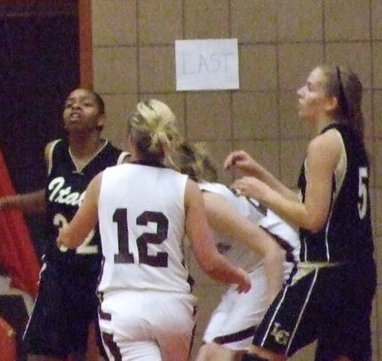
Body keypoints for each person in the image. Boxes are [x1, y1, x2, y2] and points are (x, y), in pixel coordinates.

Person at [58, 99, 251, 361]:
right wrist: (238, 276)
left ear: (129, 139)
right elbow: (209, 262)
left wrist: (63, 234)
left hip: (124, 308)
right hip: (174, 309)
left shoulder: (104, 180)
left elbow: (72, 238)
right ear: (168, 142)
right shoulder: (186, 186)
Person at [224, 64, 376, 361]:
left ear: (331, 102)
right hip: (357, 274)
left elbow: (312, 220)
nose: (300, 92)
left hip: (324, 270)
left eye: (310, 87)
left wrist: (262, 194)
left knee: (263, 352)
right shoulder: (351, 140)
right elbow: (307, 203)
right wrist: (261, 173)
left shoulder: (323, 145)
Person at [0, 88, 124, 361]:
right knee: (41, 354)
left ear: (101, 119)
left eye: (85, 104)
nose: (75, 108)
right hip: (59, 272)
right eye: (69, 104)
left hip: (100, 274)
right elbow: (53, 199)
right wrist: (5, 203)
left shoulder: (118, 161)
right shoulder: (54, 151)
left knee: (101, 354)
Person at [174, 141, 296, 361]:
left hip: (281, 262)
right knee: (206, 355)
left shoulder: (206, 201)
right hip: (249, 274)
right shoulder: (184, 205)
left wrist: (272, 315)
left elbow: (272, 250)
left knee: (222, 355)